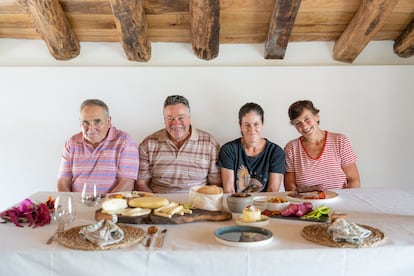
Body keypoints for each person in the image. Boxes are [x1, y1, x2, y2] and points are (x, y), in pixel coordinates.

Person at [136, 95, 221, 193]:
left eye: (181, 118)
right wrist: (155, 202)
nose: (176, 123)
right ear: (164, 119)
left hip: (197, 203)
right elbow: (141, 184)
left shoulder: (209, 143)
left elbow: (216, 185)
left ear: (189, 118)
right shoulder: (148, 144)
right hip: (160, 204)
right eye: (170, 118)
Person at [57, 99, 139, 194]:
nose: (91, 128)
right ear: (80, 122)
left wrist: (104, 205)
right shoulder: (72, 143)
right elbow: (62, 182)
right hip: (77, 203)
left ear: (109, 121)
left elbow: (127, 183)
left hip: (111, 206)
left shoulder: (125, 141)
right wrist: (68, 203)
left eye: (97, 122)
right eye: (85, 123)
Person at [284, 100, 360, 192]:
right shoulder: (291, 148)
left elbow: (354, 180)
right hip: (306, 204)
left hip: (341, 203)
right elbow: (290, 187)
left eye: (307, 119)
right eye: (297, 123)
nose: (304, 126)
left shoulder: (340, 141)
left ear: (316, 116)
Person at [217, 102, 285, 193]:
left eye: (256, 124)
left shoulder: (276, 152)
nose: (252, 129)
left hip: (264, 205)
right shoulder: (229, 150)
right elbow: (229, 190)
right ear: (240, 125)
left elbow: (272, 191)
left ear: (262, 124)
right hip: (236, 204)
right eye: (247, 125)